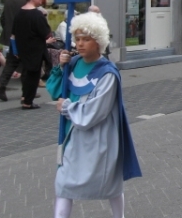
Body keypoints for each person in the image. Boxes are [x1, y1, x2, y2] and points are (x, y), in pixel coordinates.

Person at [46, 12, 141, 218]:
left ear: (98, 41)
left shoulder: (107, 73)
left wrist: (67, 108)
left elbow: (95, 111)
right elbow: (55, 90)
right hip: (74, 136)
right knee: (63, 182)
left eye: (86, 39)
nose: (80, 44)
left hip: (99, 138)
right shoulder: (73, 63)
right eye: (77, 38)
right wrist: (61, 67)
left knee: (110, 184)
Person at [12, 0, 55, 109]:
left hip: (23, 49)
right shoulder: (37, 15)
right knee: (33, 75)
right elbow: (45, 32)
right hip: (35, 50)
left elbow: (14, 33)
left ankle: (25, 97)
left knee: (26, 74)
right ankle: (28, 102)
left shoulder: (19, 13)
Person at [0, 0, 36, 101]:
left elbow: (3, 18)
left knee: (11, 63)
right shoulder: (28, 2)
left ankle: (1, 85)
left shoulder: (9, 1)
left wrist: (9, 31)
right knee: (26, 65)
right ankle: (26, 92)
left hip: (11, 37)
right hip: (25, 38)